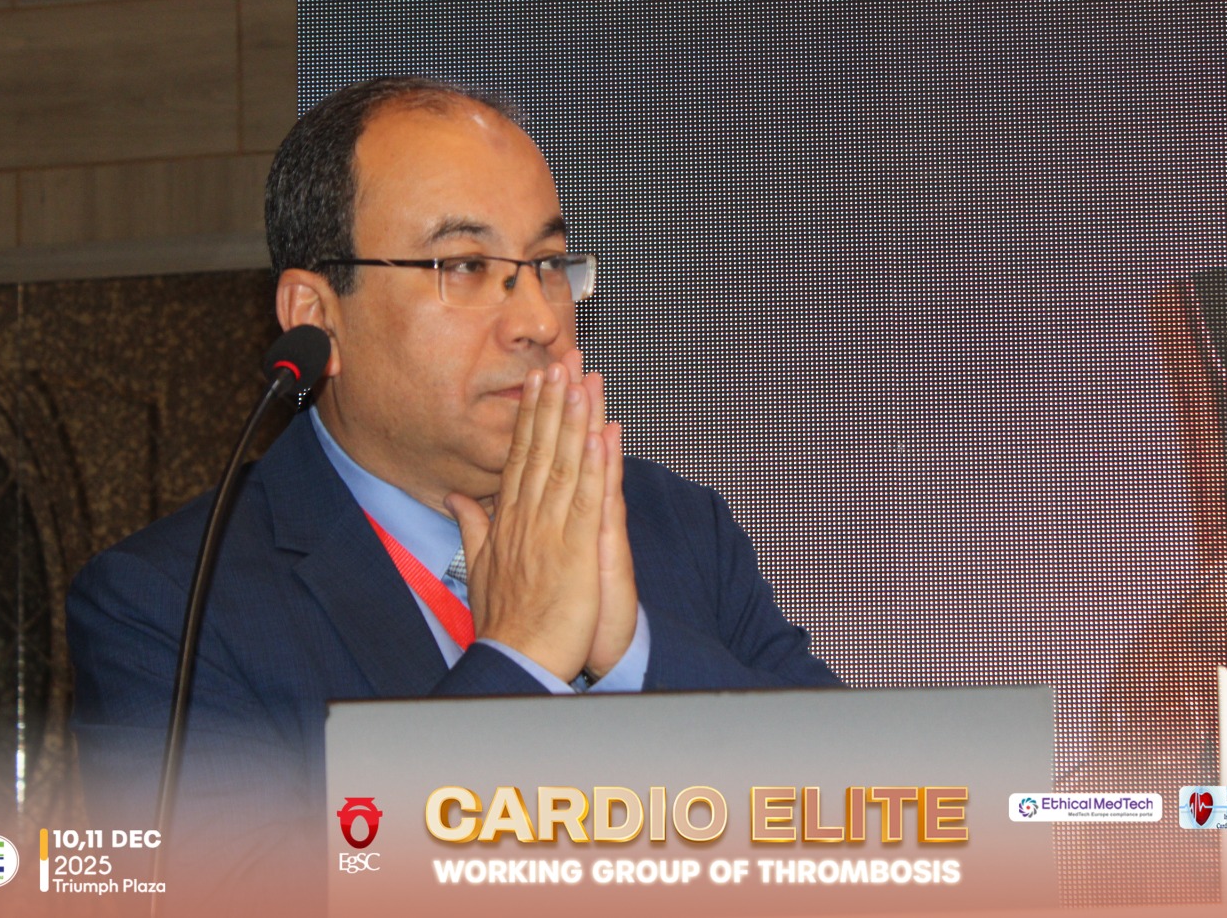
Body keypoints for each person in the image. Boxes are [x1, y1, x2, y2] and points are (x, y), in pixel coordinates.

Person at [66, 77, 838, 889]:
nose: (540, 320)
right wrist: (522, 659)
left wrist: (633, 655)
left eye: (547, 264)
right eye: (465, 265)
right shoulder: (170, 607)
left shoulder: (672, 526)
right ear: (316, 317)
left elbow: (878, 821)